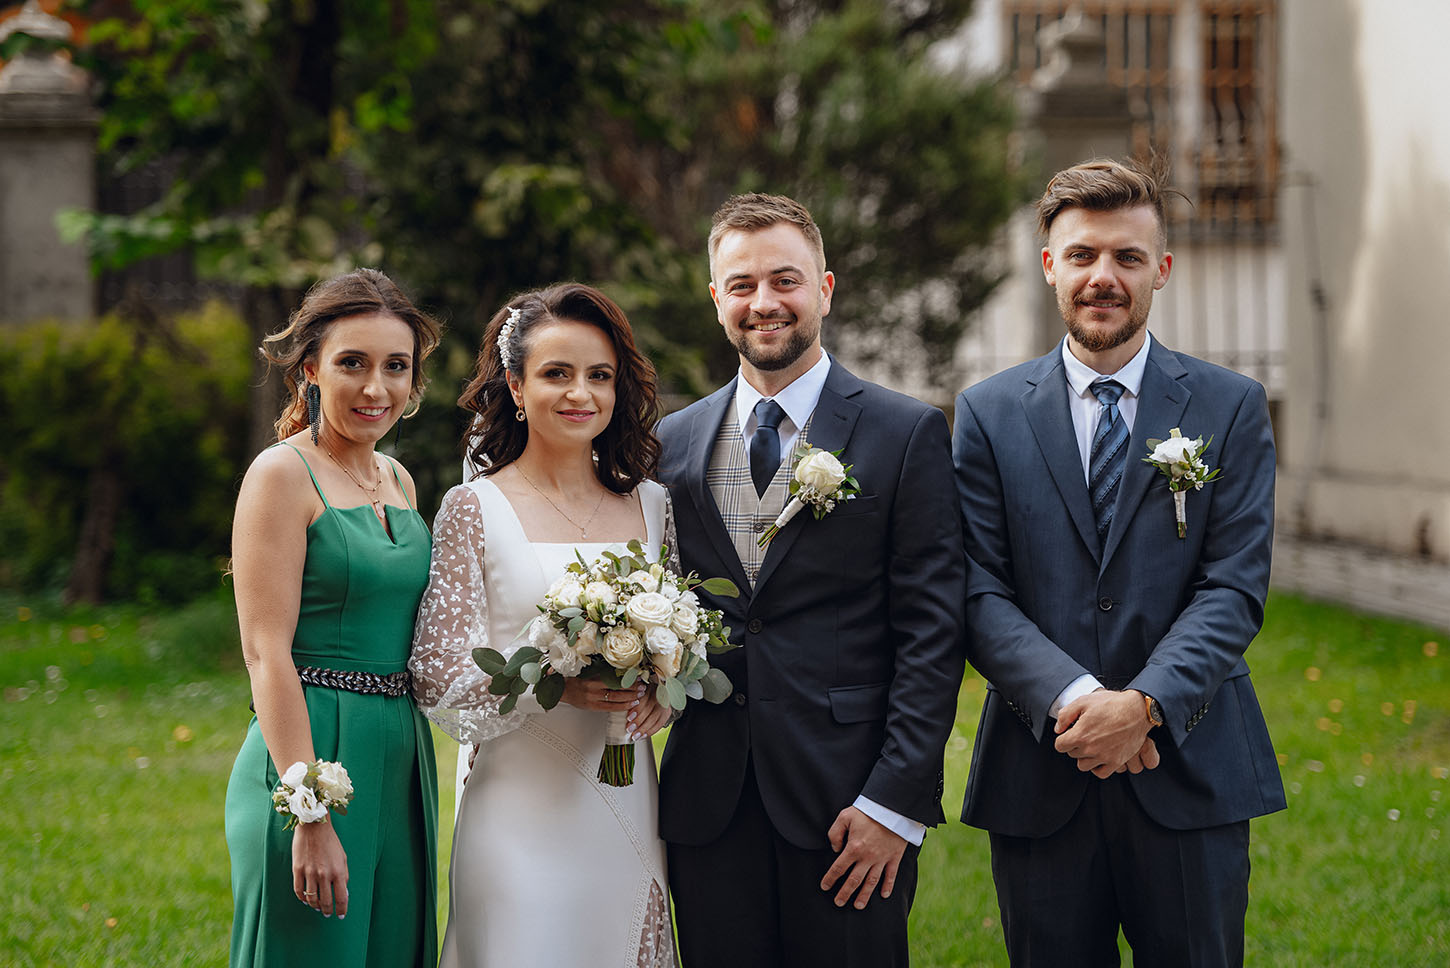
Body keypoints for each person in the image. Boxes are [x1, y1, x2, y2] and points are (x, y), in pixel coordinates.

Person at [952, 157, 1286, 966]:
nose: (1104, 277)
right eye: (1083, 255)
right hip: (1040, 773)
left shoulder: (1230, 406)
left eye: (1127, 257)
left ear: (1160, 269)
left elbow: (1233, 587)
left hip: (1191, 765)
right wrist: (1079, 701)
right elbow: (978, 589)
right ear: (1049, 266)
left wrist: (1145, 705)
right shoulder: (986, 414)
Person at [655, 193, 966, 967]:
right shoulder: (671, 443)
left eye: (785, 280)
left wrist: (894, 803)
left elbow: (932, 634)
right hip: (708, 807)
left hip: (849, 803)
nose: (764, 302)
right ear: (717, 299)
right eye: (742, 284)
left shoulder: (905, 432)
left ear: (824, 290)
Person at [409, 283, 677, 967]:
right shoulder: (473, 508)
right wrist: (553, 685)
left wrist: (659, 694)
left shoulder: (653, 505)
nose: (580, 393)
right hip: (516, 810)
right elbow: (437, 676)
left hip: (624, 800)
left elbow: (678, 644)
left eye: (599, 376)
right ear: (516, 386)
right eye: (557, 373)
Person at [225, 269, 442, 966]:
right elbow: (265, 652)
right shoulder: (281, 475)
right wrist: (308, 808)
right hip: (313, 747)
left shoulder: (399, 480)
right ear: (311, 369)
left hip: (400, 754)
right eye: (353, 363)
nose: (376, 387)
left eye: (396, 366)